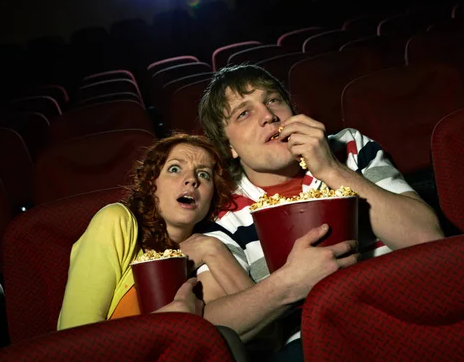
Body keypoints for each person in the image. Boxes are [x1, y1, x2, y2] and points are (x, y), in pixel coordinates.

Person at [195, 64, 444, 358]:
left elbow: (429, 239)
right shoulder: (223, 211)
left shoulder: (348, 147)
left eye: (273, 99)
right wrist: (290, 284)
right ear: (229, 147)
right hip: (313, 346)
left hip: (406, 314)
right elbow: (213, 325)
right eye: (244, 113)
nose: (268, 116)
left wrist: (331, 170)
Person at [58, 133, 254, 330]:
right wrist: (166, 320)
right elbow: (74, 336)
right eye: (175, 169)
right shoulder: (116, 220)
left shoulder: (211, 242)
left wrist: (213, 249)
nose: (191, 180)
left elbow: (267, 326)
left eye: (204, 174)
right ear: (151, 184)